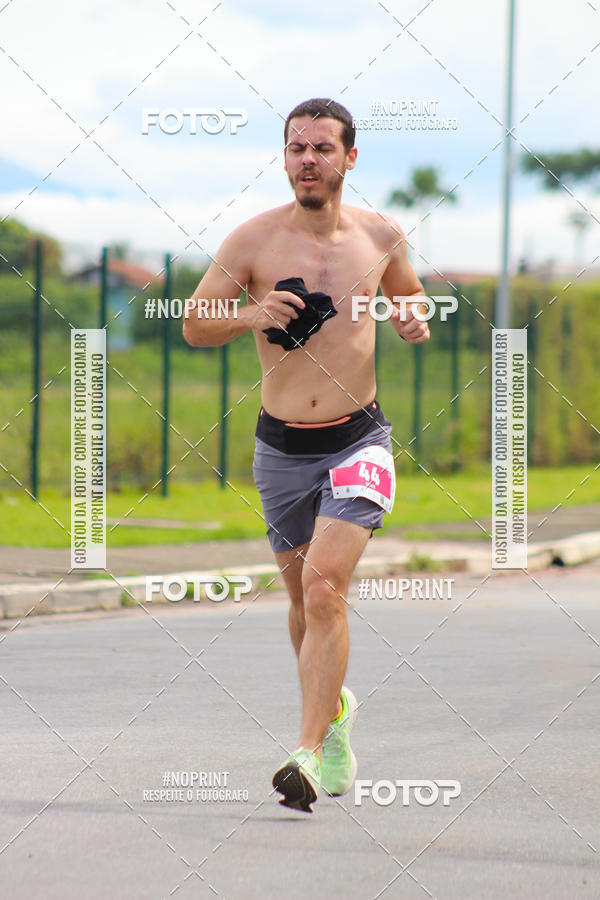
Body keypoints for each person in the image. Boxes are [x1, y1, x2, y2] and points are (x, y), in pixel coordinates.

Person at [183, 98, 430, 813]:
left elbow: (408, 296)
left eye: (323, 148)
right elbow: (196, 326)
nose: (308, 160)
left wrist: (411, 316)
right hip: (281, 450)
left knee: (325, 589)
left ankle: (306, 752)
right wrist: (252, 315)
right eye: (296, 149)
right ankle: (338, 716)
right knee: (301, 604)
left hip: (360, 439)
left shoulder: (380, 234)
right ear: (284, 158)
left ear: (350, 158)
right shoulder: (252, 241)